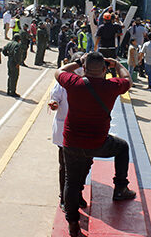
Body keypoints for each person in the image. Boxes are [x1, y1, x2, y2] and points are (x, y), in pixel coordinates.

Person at [55, 52, 135, 237]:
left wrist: (77, 62)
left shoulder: (74, 83)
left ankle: (73, 223)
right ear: (105, 69)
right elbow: (127, 79)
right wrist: (116, 64)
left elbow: (59, 71)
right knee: (122, 147)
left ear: (84, 68)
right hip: (98, 143)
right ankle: (121, 187)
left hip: (72, 142)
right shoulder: (111, 86)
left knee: (71, 182)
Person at [48, 53, 89, 211]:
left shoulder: (88, 82)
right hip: (65, 130)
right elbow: (55, 97)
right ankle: (64, 197)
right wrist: (54, 103)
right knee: (65, 166)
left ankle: (77, 193)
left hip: (83, 130)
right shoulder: (63, 82)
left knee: (84, 164)